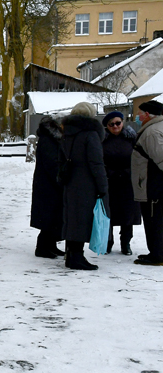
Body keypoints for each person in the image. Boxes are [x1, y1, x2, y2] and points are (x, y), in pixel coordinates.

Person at [59, 102, 109, 270]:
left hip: (70, 181)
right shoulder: (90, 134)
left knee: (72, 218)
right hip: (86, 182)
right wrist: (103, 186)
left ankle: (71, 254)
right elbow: (96, 163)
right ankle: (77, 257)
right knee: (82, 219)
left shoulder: (66, 133)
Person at [101, 111, 141, 255]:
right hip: (109, 182)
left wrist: (129, 172)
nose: (115, 126)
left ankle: (126, 243)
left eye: (118, 123)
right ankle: (107, 242)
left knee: (128, 215)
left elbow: (139, 158)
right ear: (107, 126)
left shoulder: (132, 138)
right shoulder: (102, 140)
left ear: (123, 123)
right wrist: (108, 173)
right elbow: (98, 160)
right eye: (111, 124)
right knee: (108, 213)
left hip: (128, 182)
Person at [130, 100, 163, 266]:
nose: (137, 116)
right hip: (153, 184)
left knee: (154, 220)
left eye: (140, 113)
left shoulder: (151, 132)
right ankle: (156, 252)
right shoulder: (157, 128)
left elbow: (161, 158)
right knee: (155, 219)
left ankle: (158, 255)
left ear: (148, 115)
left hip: (153, 185)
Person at [30, 116, 65, 258]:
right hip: (48, 185)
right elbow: (51, 163)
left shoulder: (49, 138)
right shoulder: (48, 140)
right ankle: (42, 247)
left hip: (47, 183)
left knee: (53, 216)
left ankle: (50, 245)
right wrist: (60, 179)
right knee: (49, 216)